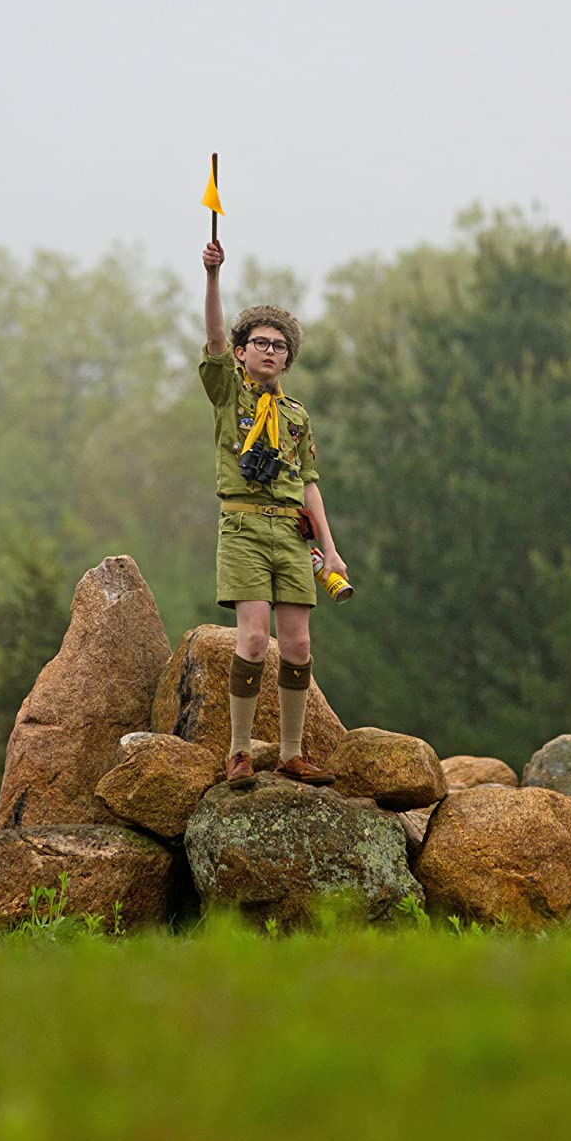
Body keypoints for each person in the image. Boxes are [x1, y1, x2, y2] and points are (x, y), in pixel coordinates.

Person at [200, 237, 348, 788]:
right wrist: (213, 277)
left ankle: (290, 752)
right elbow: (214, 336)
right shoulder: (228, 395)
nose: (268, 351)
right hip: (242, 526)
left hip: (289, 533)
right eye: (258, 343)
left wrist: (329, 549)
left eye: (279, 346)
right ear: (241, 352)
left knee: (300, 644)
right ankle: (238, 752)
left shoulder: (295, 415)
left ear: (288, 357)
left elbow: (308, 483)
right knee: (254, 640)